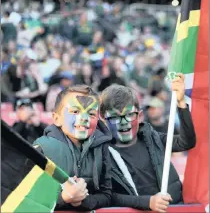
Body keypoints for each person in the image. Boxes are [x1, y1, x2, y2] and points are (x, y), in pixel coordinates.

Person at [100, 73, 196, 213]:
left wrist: (181, 103)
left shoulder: (153, 138)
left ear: (139, 116)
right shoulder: (101, 154)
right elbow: (107, 196)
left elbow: (186, 142)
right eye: (115, 117)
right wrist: (148, 202)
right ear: (104, 119)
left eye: (129, 115)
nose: (123, 122)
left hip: (173, 209)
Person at [33, 85, 112, 211]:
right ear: (57, 119)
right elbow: (27, 199)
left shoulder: (101, 148)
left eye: (91, 114)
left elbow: (107, 195)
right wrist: (64, 197)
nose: (84, 118)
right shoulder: (41, 149)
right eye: (75, 112)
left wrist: (83, 201)